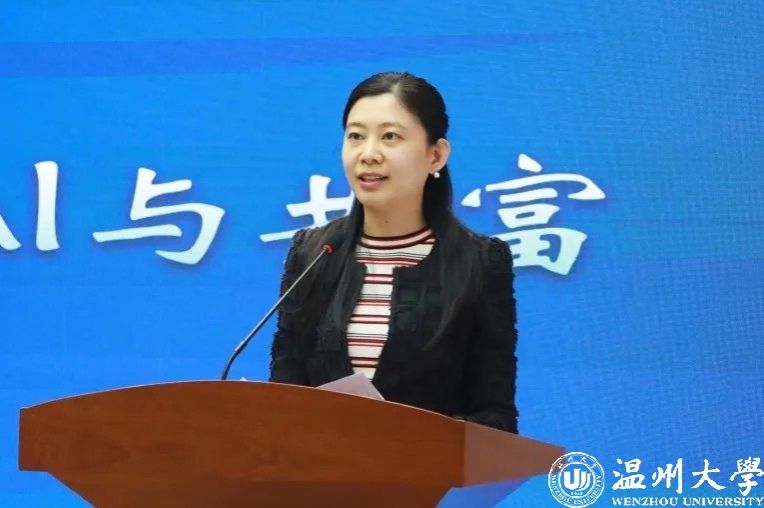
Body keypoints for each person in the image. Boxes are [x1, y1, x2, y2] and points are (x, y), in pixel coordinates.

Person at [269, 71, 519, 433]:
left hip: (427, 467)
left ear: (436, 155)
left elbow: (495, 417)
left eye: (390, 137)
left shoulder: (479, 262)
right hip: (318, 466)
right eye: (356, 136)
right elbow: (283, 396)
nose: (368, 154)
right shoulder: (312, 253)